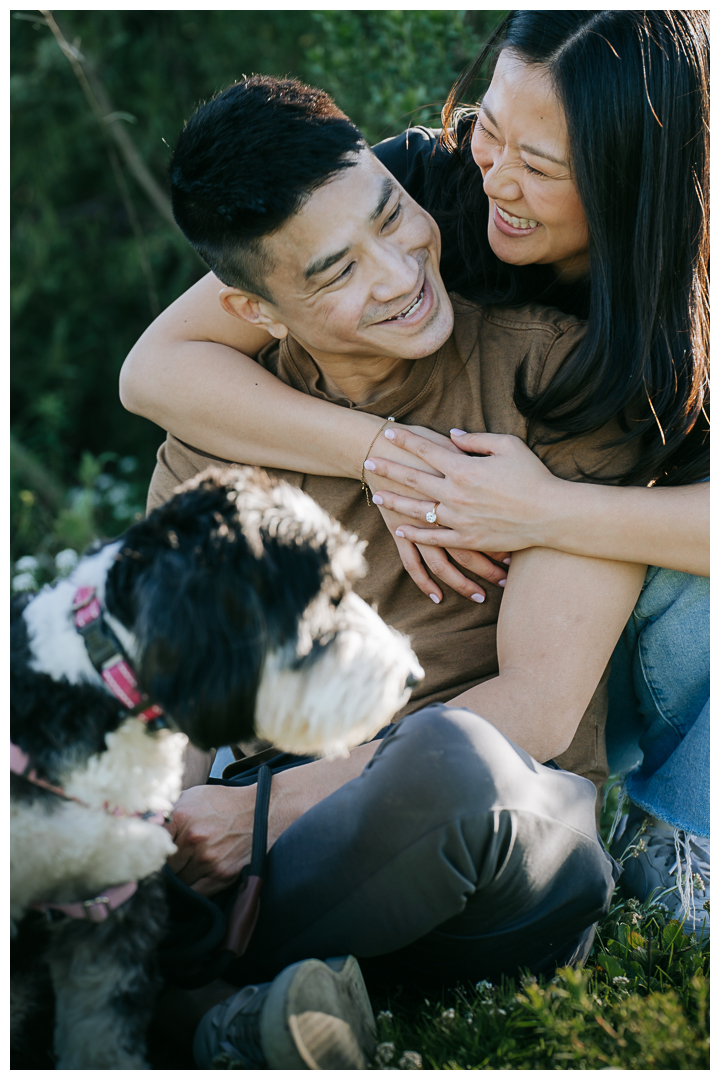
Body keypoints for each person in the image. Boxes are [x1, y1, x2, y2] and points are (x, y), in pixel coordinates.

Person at [120, 12, 709, 936]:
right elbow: (154, 372)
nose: (496, 180)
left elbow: (539, 708)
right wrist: (383, 450)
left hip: (616, 617)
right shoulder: (418, 183)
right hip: (314, 770)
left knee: (468, 757)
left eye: (541, 167)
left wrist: (546, 509)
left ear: (631, 172)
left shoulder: (580, 370)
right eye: (488, 127)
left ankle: (685, 834)